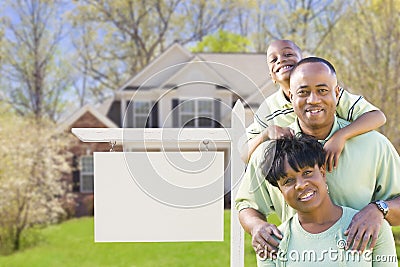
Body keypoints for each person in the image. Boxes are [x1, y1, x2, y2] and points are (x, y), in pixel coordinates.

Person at [235, 57, 400, 260]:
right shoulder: (270, 153)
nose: (313, 100)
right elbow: (246, 205)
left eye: (322, 90)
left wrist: (379, 209)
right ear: (290, 96)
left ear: (336, 93)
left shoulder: (374, 145)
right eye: (303, 92)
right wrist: (257, 226)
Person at [241, 40, 386, 174]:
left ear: (303, 61)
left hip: (341, 166)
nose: (281, 59)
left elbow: (377, 117)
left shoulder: (330, 94)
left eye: (288, 54)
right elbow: (244, 154)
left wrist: (340, 136)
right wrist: (267, 133)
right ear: (271, 76)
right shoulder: (268, 109)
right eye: (274, 59)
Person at [257, 135, 397, 266]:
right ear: (281, 191)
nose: (300, 185)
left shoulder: (372, 227)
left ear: (323, 173)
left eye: (307, 173)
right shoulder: (272, 243)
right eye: (288, 181)